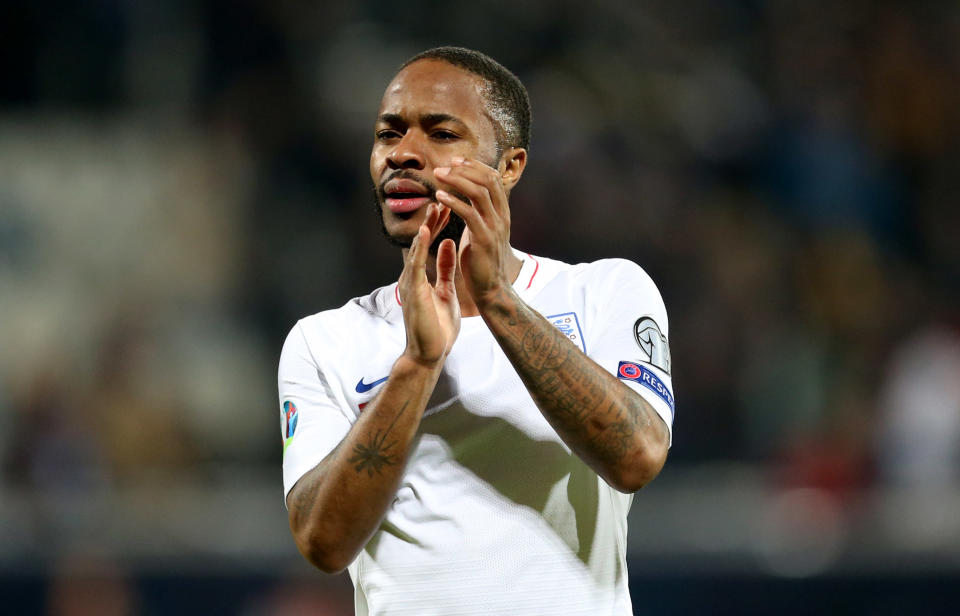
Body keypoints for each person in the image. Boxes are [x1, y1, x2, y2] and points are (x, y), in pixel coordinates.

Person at [279, 46, 674, 615]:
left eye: (441, 134)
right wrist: (415, 367)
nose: (404, 154)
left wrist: (496, 301)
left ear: (509, 166)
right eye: (389, 134)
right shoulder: (325, 341)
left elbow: (636, 457)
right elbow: (323, 542)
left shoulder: (603, 292)